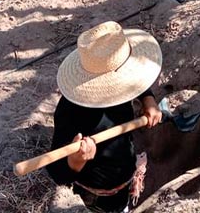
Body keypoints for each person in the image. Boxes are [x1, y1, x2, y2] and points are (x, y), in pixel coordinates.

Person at [47, 21, 163, 213]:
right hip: (98, 195)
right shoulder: (71, 111)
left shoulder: (122, 83)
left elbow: (134, 80)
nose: (127, 79)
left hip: (125, 174)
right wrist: (76, 160)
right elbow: (58, 173)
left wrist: (147, 98)